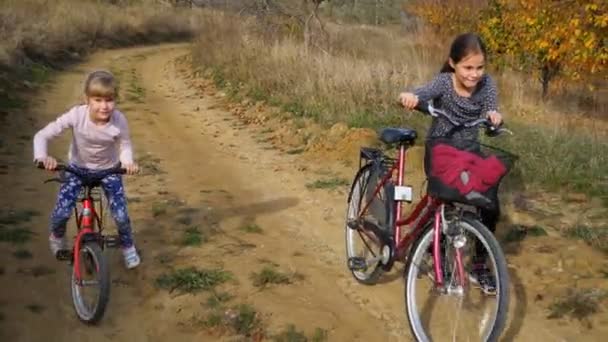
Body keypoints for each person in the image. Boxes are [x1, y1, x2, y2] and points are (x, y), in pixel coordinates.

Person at [398, 33, 503, 294]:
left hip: (468, 152)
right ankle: (438, 257)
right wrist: (410, 96)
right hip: (441, 150)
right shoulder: (444, 83)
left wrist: (494, 118)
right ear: (453, 64)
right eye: (468, 67)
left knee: (489, 203)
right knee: (443, 204)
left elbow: (491, 111)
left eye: (479, 67)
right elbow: (423, 92)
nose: (474, 74)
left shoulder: (488, 85)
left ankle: (480, 263)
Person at [33, 70, 141, 269]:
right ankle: (57, 236)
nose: (104, 106)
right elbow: (42, 136)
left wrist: (127, 162)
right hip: (77, 169)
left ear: (115, 100)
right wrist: (42, 156)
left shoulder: (119, 120)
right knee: (61, 213)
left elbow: (125, 145)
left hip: (108, 171)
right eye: (98, 99)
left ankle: (127, 246)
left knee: (121, 216)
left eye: (109, 100)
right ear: (87, 99)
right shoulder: (76, 115)